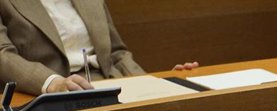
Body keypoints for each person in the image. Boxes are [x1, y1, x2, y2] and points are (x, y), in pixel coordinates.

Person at [0, 0, 198, 95]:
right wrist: (52, 83)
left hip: (108, 85)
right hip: (46, 94)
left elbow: (117, 53)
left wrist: (154, 85)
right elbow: (3, 54)